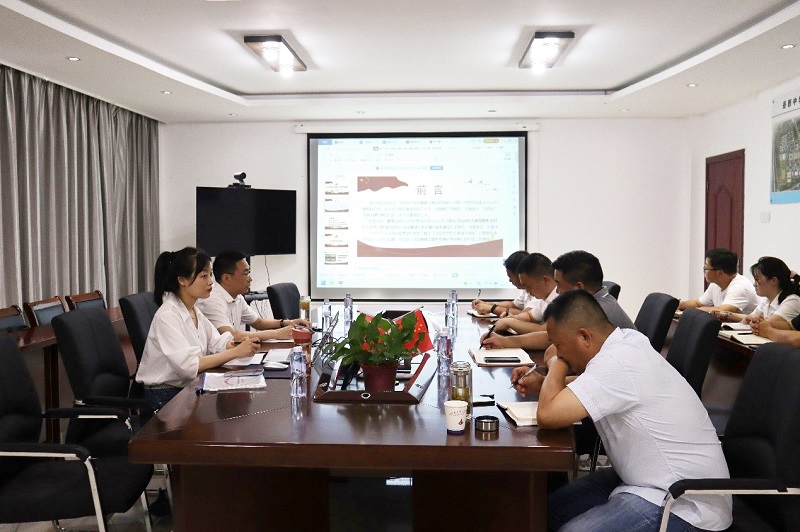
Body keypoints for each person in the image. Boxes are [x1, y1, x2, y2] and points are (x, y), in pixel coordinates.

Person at [512, 290, 732, 532]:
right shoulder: (625, 341)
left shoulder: (616, 361)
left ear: (584, 336)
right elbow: (600, 384)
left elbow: (548, 415)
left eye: (559, 345)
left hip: (684, 501)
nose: (557, 350)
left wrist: (557, 362)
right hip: (641, 478)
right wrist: (545, 381)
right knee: (544, 512)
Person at [136, 247, 259, 410]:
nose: (211, 282)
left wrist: (234, 344)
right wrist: (236, 352)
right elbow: (189, 366)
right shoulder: (167, 315)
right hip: (164, 396)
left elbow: (215, 342)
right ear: (182, 280)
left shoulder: (193, 309)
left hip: (187, 388)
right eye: (203, 276)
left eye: (210, 275)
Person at [482, 250, 635, 350]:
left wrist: (506, 342)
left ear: (578, 288)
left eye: (559, 285)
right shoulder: (594, 301)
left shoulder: (595, 310)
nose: (557, 291)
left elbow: (551, 339)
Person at [196, 250, 310, 341]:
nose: (250, 279)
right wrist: (276, 334)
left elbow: (258, 322)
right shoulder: (212, 299)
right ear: (227, 278)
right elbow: (231, 335)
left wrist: (286, 323)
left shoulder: (237, 297)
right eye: (245, 274)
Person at [488, 252, 558, 335]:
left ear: (545, 280)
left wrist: (510, 323)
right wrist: (514, 317)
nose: (527, 291)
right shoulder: (544, 298)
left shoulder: (561, 299)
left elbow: (546, 331)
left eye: (528, 286)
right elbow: (530, 316)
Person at [679, 248, 761, 314]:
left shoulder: (740, 287)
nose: (704, 271)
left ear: (720, 272)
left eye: (706, 267)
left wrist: (691, 311)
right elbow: (697, 303)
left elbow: (721, 311)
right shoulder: (715, 284)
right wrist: (677, 305)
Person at [724, 256, 800, 327]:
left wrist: (752, 320)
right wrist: (729, 315)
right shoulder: (767, 302)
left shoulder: (792, 301)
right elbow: (750, 317)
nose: (754, 284)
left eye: (757, 280)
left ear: (773, 281)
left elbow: (767, 325)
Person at [471, 250, 532, 317]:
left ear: (520, 275)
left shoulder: (536, 291)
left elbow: (525, 314)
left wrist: (492, 308)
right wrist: (487, 304)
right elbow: (513, 305)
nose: (510, 280)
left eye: (510, 276)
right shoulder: (525, 290)